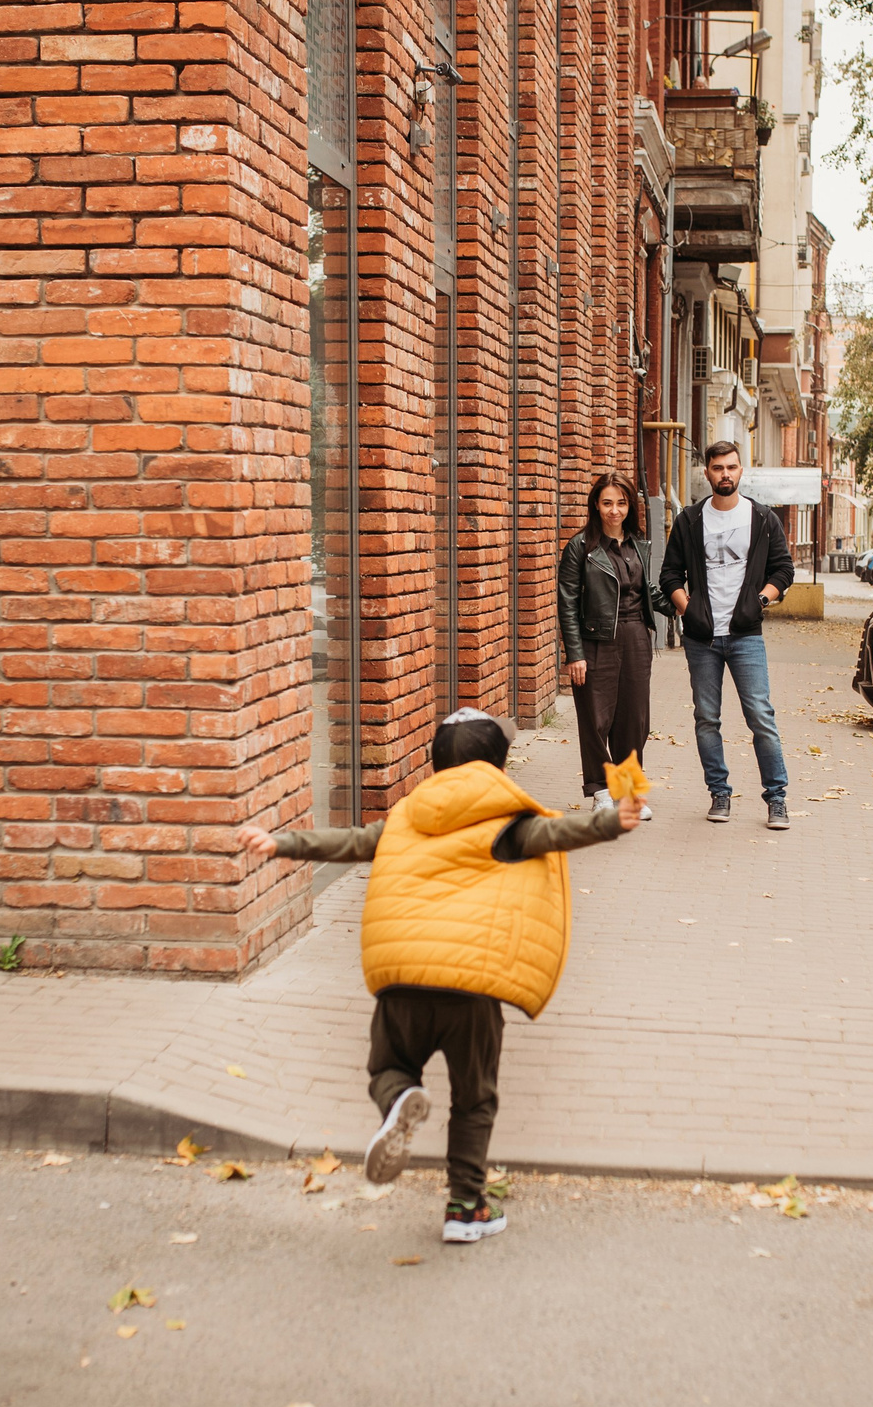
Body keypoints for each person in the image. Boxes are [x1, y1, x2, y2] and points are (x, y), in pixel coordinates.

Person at [236, 709, 642, 1245]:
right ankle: (465, 1208)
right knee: (474, 1099)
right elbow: (559, 832)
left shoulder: (406, 819)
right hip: (470, 987)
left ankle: (399, 1099)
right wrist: (612, 822)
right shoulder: (507, 823)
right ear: (498, 767)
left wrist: (282, 844)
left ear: (436, 766)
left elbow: (348, 843)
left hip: (403, 978)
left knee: (388, 1068)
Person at [657, 438, 794, 828]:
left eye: (731, 467)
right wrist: (688, 609)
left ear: (741, 470)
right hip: (701, 638)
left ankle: (777, 799)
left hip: (745, 634)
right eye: (718, 468)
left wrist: (759, 601)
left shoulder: (762, 519)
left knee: (761, 716)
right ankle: (719, 793)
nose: (725, 474)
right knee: (706, 718)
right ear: (708, 473)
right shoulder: (690, 520)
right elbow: (670, 574)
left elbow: (784, 570)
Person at [556, 472, 656, 819]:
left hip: (636, 638)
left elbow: (648, 591)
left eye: (621, 503)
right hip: (595, 640)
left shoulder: (639, 544)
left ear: (630, 506)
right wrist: (575, 654)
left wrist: (686, 604)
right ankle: (600, 791)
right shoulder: (580, 547)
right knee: (595, 719)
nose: (615, 510)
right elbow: (567, 602)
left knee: (634, 720)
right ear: (596, 505)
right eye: (607, 503)